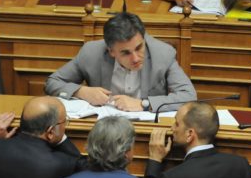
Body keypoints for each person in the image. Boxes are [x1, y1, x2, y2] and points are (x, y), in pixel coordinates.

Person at [44, 12, 196, 112]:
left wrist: (143, 104)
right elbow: (52, 82)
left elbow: (189, 96)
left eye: (139, 48)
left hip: (145, 127)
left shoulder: (163, 54)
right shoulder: (91, 53)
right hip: (103, 127)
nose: (136, 58)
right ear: (111, 51)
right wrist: (81, 91)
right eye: (125, 53)